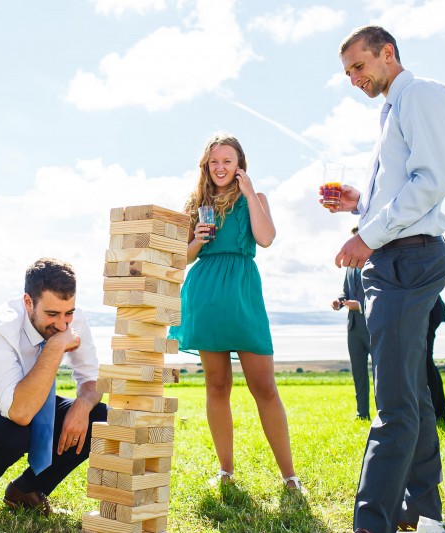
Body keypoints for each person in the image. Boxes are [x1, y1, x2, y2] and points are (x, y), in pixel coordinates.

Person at [324, 26, 445, 533]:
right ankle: (422, 515)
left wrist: (367, 235)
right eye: (348, 72)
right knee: (412, 395)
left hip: (408, 262)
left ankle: (369, 525)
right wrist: (361, 202)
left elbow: (432, 183)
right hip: (395, 260)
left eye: (359, 66)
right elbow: (407, 186)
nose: (354, 79)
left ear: (388, 53)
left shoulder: (419, 94)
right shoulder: (391, 110)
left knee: (394, 406)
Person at [169, 133, 302, 492]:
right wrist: (196, 238)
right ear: (206, 166)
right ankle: (225, 471)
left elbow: (266, 238)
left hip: (243, 295)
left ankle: (290, 476)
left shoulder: (254, 199)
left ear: (240, 165)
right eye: (214, 161)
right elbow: (182, 258)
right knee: (216, 385)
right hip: (206, 296)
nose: (220, 167)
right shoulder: (195, 203)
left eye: (228, 161)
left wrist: (249, 193)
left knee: (264, 387)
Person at [0, 258, 107, 526]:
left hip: (28, 408)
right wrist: (54, 347)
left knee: (99, 417)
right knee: (13, 430)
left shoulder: (73, 319)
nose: (63, 325)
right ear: (28, 302)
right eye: (52, 315)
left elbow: (93, 379)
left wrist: (83, 406)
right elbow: (18, 412)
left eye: (69, 313)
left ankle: (26, 490)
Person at [332, 227, 372, 420]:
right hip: (353, 326)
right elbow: (346, 290)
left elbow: (381, 296)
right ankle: (362, 413)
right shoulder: (349, 266)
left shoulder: (375, 262)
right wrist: (339, 301)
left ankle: (384, 412)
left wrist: (361, 306)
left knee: (381, 373)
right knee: (358, 372)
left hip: (373, 326)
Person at [426, 296, 445, 424]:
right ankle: (438, 412)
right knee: (426, 362)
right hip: (428, 309)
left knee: (425, 363)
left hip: (427, 310)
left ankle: (439, 413)